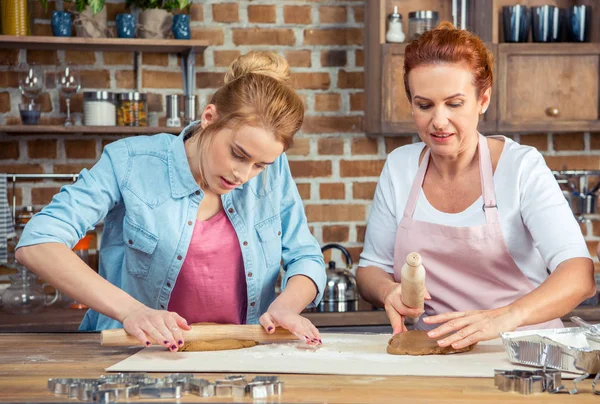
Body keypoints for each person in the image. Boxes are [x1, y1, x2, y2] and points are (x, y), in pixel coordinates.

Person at [15, 51, 326, 351]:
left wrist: (286, 306)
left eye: (259, 165)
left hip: (237, 358)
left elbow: (305, 256)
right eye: (237, 154)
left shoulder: (271, 170)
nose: (243, 174)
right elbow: (38, 241)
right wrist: (131, 311)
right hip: (133, 358)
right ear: (209, 117)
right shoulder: (130, 161)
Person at [356, 22, 596, 351]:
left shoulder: (520, 166)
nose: (439, 121)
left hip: (524, 351)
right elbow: (370, 269)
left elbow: (578, 275)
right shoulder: (400, 167)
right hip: (438, 355)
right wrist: (388, 291)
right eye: (424, 105)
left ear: (482, 99)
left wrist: (503, 317)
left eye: (454, 104)